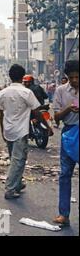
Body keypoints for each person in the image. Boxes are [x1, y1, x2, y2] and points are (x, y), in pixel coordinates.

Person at [0, 64, 52, 200]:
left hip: (8, 130)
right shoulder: (26, 92)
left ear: (10, 76)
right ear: (22, 77)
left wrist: (2, 129)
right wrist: (48, 126)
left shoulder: (3, 92)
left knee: (14, 159)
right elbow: (37, 111)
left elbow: (1, 113)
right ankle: (10, 189)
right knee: (18, 160)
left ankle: (18, 184)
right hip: (20, 131)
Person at [53, 60, 79, 227]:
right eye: (72, 77)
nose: (75, 80)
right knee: (65, 174)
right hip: (69, 133)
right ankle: (64, 214)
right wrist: (69, 109)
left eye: (78, 77)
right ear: (66, 77)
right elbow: (56, 117)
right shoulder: (61, 91)